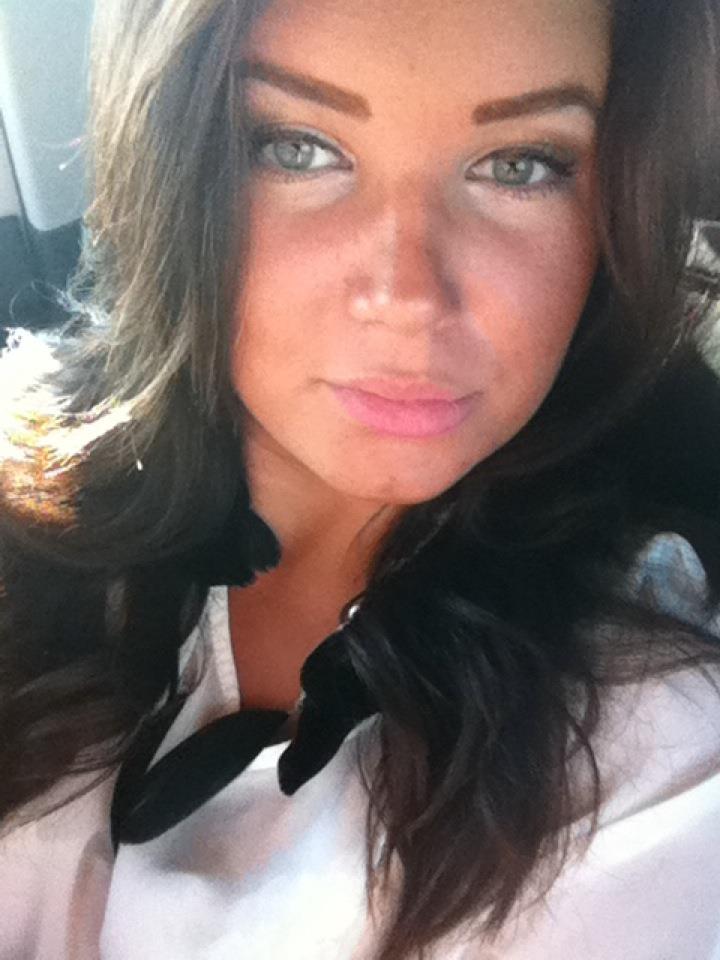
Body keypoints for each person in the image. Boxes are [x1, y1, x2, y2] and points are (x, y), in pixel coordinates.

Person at [1, 0, 719, 957]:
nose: (407, 297)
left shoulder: (649, 737)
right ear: (168, 162)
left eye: (520, 164)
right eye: (296, 149)